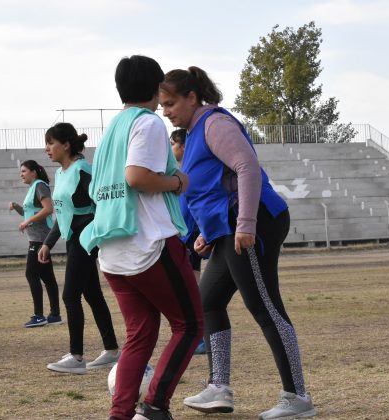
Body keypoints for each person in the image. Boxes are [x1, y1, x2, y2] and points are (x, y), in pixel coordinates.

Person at [159, 66, 316, 419]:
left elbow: (246, 166)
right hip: (228, 228)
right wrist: (205, 234)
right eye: (162, 105)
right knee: (208, 302)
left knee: (265, 307)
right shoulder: (194, 131)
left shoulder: (214, 123)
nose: (166, 111)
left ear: (192, 97)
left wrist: (245, 224)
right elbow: (212, 187)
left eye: (170, 103)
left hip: (253, 223)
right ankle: (219, 388)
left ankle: (297, 396)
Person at [79, 55, 203, 420]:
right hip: (147, 244)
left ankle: (121, 414)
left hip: (112, 250)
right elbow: (136, 177)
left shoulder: (113, 128)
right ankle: (154, 407)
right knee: (190, 325)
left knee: (140, 334)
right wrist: (177, 182)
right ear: (155, 87)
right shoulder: (147, 123)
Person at [37, 122, 120, 375]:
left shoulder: (83, 170)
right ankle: (112, 350)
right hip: (73, 239)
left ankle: (77, 356)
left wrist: (93, 236)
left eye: (51, 143)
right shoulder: (62, 173)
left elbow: (102, 205)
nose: (47, 149)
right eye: (46, 143)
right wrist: (47, 243)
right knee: (92, 295)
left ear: (66, 145)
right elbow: (64, 213)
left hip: (85, 241)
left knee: (69, 296)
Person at [8, 160, 62, 328]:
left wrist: (26, 223)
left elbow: (48, 209)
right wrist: (17, 207)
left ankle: (39, 315)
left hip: (40, 239)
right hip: (37, 238)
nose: (21, 174)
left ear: (34, 172)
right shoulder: (33, 188)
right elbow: (29, 213)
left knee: (31, 274)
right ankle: (55, 315)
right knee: (47, 277)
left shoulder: (40, 186)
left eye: (24, 171)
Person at [171, 128, 206, 356]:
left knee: (192, 287)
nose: (170, 148)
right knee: (184, 287)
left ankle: (200, 339)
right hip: (182, 234)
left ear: (183, 146)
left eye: (172, 143)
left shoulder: (191, 171)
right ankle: (195, 336)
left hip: (191, 234)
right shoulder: (178, 172)